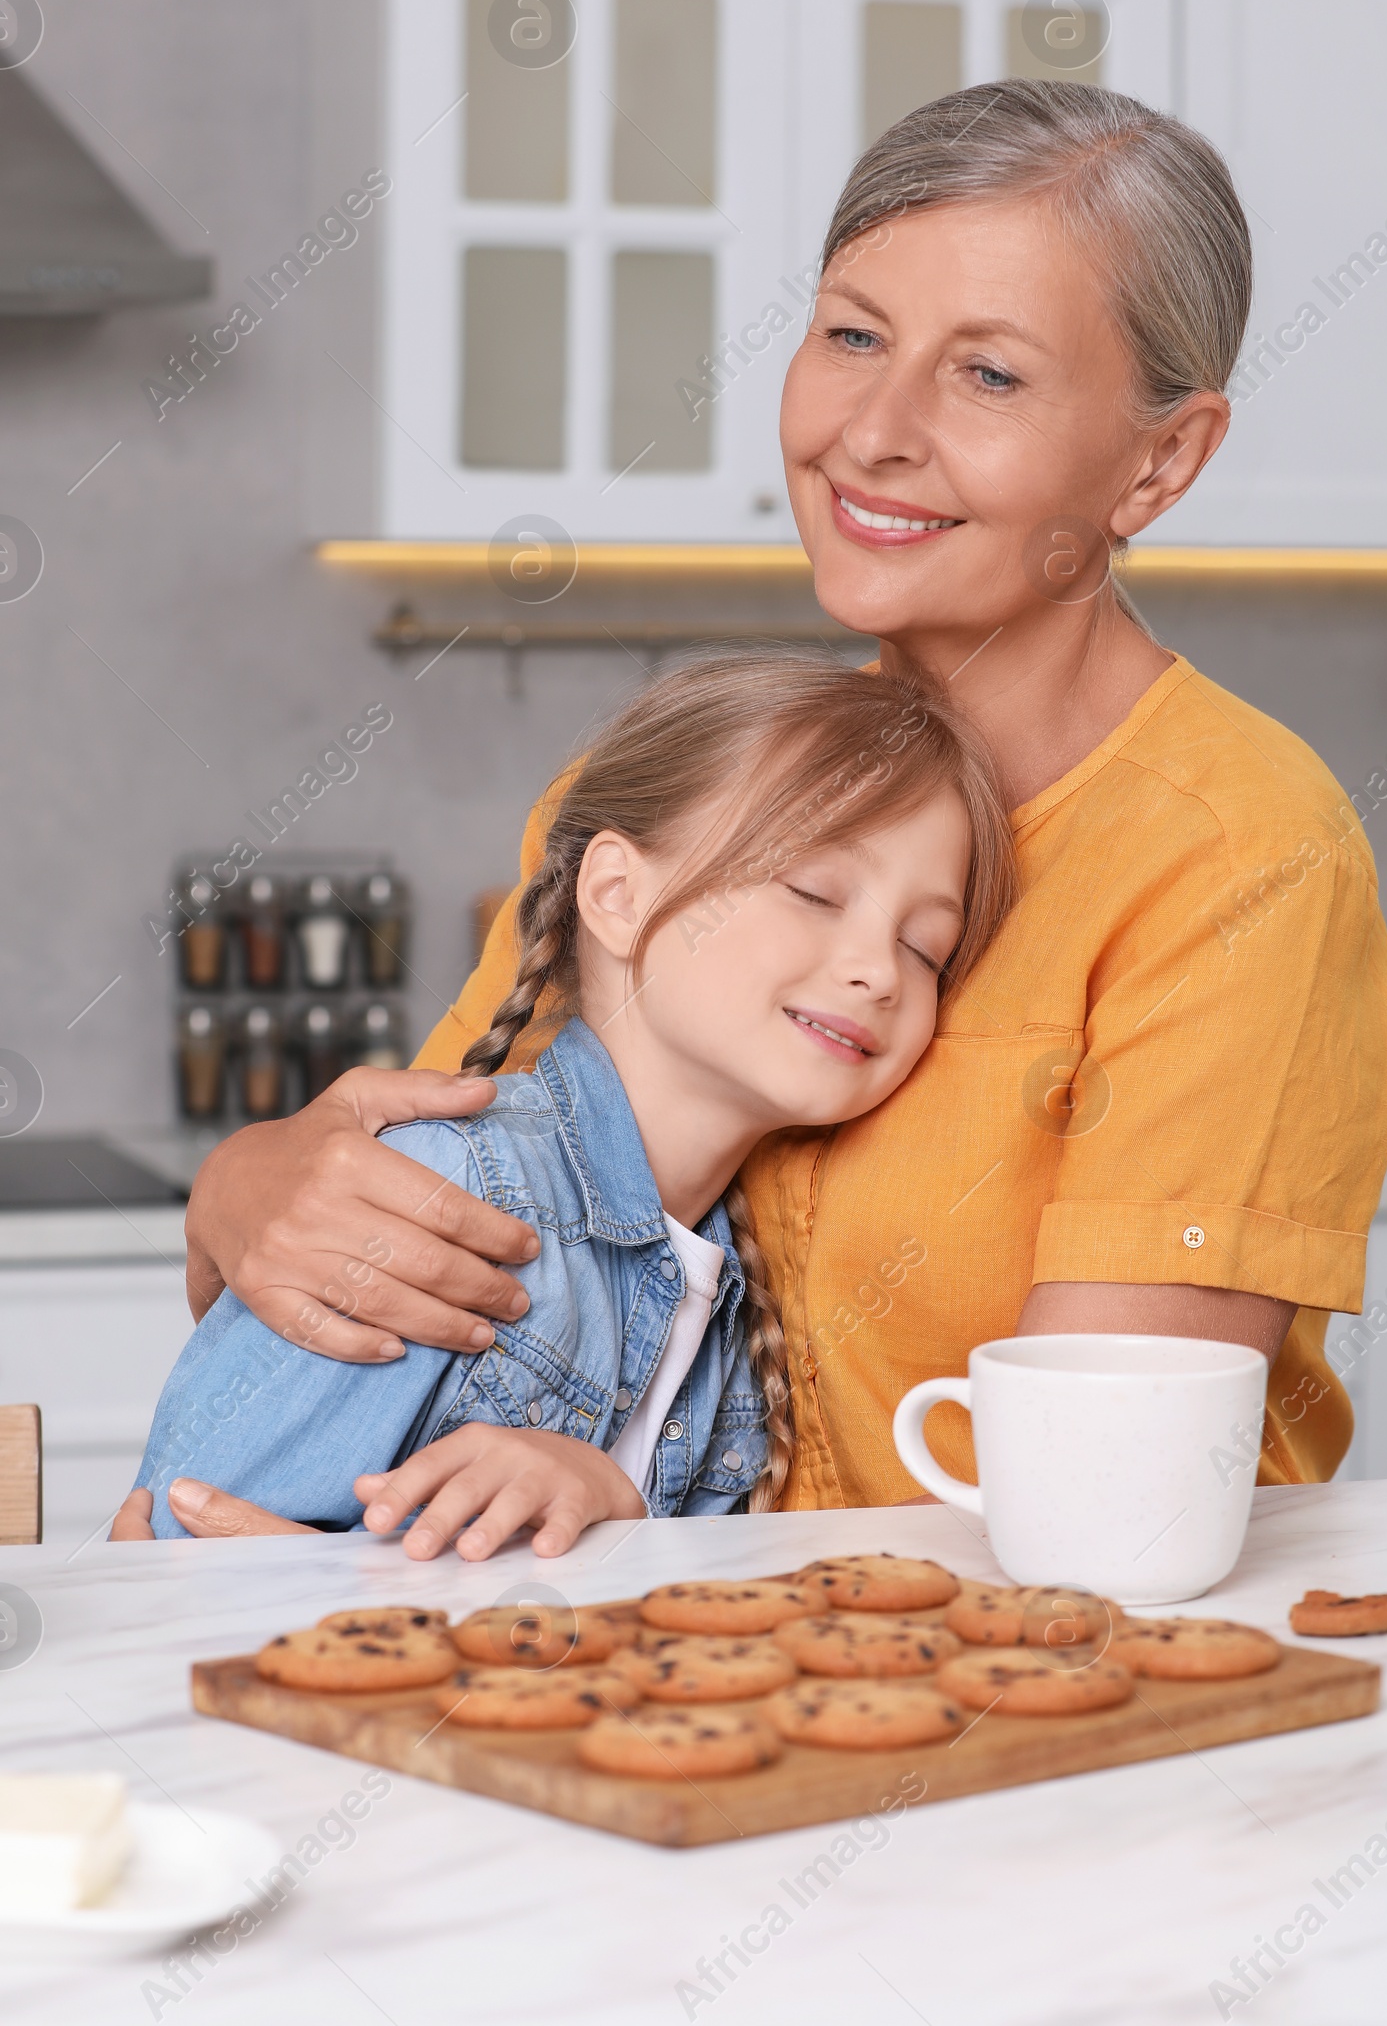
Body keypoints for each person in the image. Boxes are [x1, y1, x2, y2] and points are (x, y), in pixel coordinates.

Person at [159, 79, 1387, 1535]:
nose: (872, 432)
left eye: (988, 375)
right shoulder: (681, 802)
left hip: (1040, 1720)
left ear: (1162, 460)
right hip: (640, 1693)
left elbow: (1105, 1516)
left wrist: (606, 1534)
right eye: (854, 335)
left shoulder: (1238, 857)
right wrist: (242, 1198)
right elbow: (448, 1244)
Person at [123, 655, 1014, 1554]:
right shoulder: (441, 1193)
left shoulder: (733, 1303)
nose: (876, 969)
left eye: (924, 947)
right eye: (814, 892)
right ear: (618, 896)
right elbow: (181, 1555)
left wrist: (614, 1507)